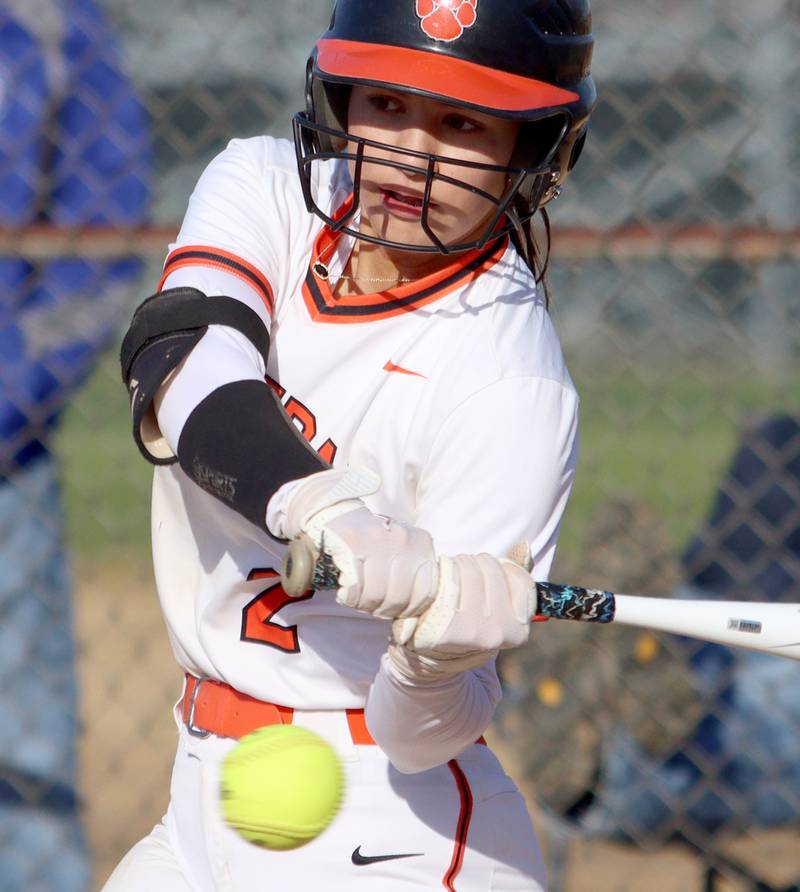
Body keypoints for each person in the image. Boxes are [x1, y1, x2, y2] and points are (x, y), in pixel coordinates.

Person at [105, 1, 595, 889]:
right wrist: (319, 505)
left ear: (535, 150)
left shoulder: (509, 379)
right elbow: (180, 355)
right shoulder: (262, 188)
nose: (411, 155)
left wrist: (437, 660)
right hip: (199, 794)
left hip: (389, 825)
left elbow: (421, 737)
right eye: (389, 104)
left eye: (463, 122)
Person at [0, 2, 151, 890]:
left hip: (2, 459)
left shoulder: (50, 21)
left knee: (22, 757)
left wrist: (7, 398)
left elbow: (103, 229)